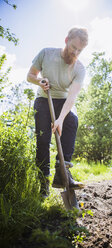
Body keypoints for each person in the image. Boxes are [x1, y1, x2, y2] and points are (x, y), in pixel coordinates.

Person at [27, 27, 88, 197]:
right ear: (66, 40)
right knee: (43, 140)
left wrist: (60, 119)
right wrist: (40, 81)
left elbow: (72, 96)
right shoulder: (46, 53)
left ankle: (62, 174)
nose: (75, 52)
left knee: (71, 121)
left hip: (63, 101)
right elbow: (30, 75)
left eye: (80, 50)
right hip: (43, 99)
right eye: (73, 47)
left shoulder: (80, 69)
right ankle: (43, 183)